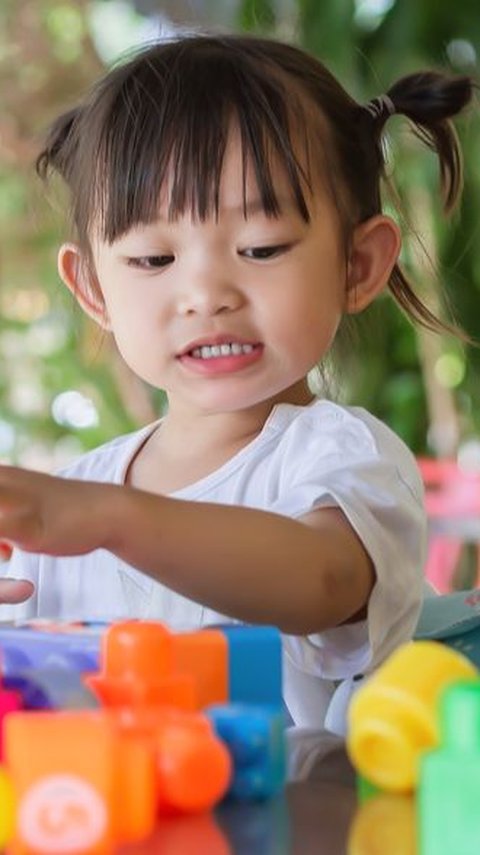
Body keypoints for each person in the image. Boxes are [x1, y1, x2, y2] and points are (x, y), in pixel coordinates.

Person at [0, 34, 473, 757]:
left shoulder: (338, 457)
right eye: (154, 259)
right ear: (94, 288)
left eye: (260, 248)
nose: (206, 295)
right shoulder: (63, 507)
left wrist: (103, 518)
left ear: (358, 263)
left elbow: (321, 577)